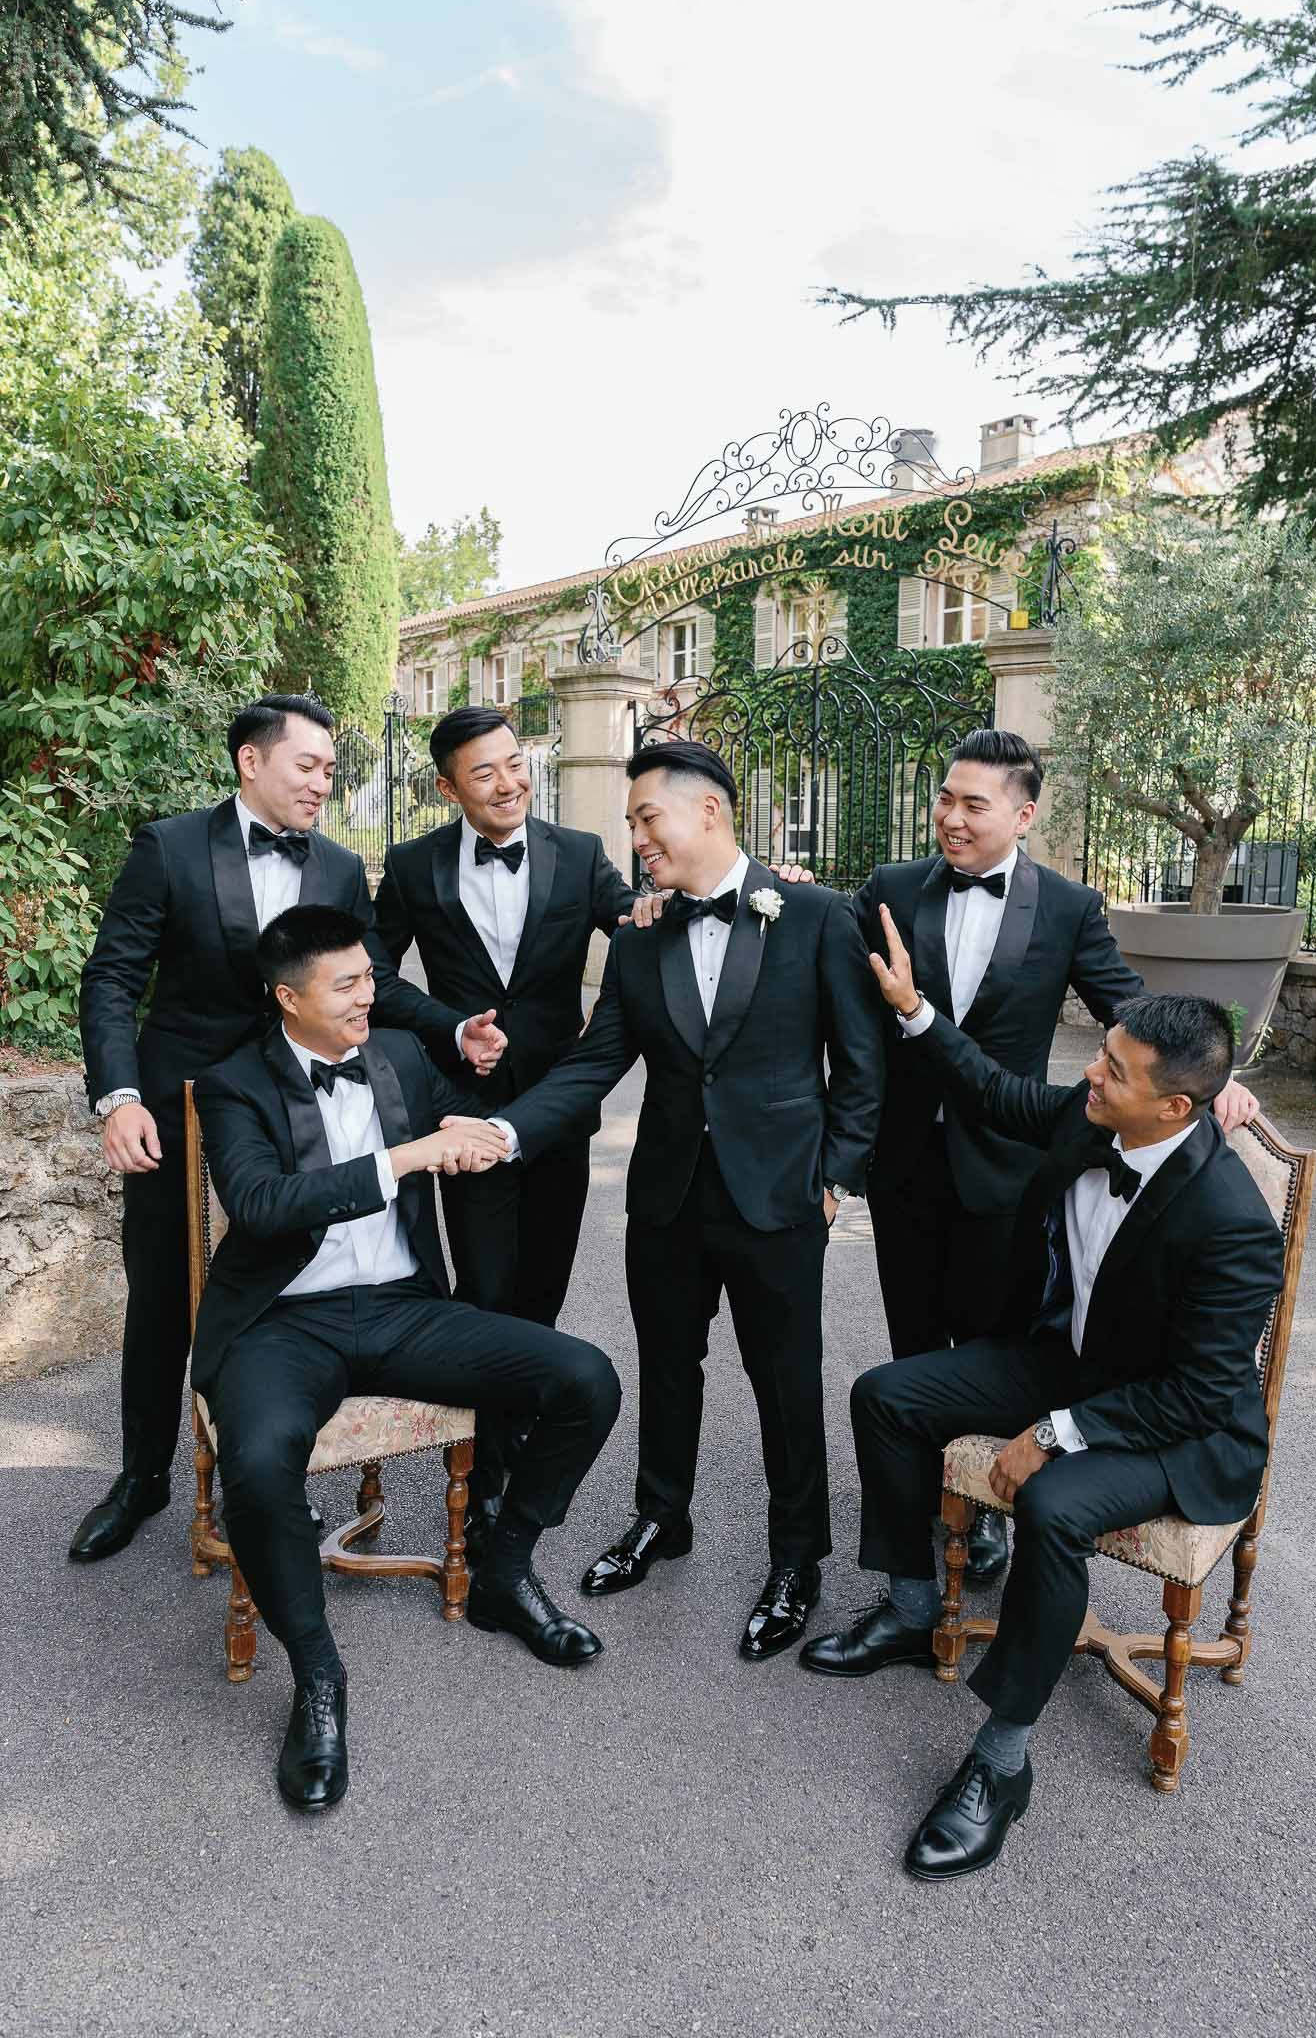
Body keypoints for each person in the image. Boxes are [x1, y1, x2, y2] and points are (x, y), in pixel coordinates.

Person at [801, 912, 1282, 1880]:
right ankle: (906, 1603)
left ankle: (1000, 1762)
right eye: (1099, 1056)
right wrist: (915, 1008)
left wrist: (1057, 1433)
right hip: (1069, 1359)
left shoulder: (1233, 1223)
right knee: (885, 1394)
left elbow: (1195, 1392)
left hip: (1180, 1426)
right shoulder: (1091, 1112)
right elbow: (992, 1087)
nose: (1091, 1076)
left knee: (1055, 1505)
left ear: (1177, 1109)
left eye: (1115, 1070)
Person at [192, 905, 620, 1811]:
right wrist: (408, 1155)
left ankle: (503, 1570)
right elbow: (264, 1205)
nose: (368, 994)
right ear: (286, 997)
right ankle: (316, 1678)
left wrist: (496, 1132)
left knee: (584, 1379)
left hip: (400, 1309)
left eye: (368, 977)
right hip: (282, 1321)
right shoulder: (235, 1084)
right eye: (345, 983)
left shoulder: (394, 1055)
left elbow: (473, 1126)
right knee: (260, 1462)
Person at [491, 741, 884, 1659]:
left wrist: (837, 1180)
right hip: (665, 1194)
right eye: (630, 823)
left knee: (784, 1383)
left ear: (708, 811)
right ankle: (661, 1518)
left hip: (780, 1195)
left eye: (644, 819)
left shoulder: (818, 917)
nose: (634, 840)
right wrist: (507, 1131)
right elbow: (594, 1064)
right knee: (667, 1366)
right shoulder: (638, 935)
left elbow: (862, 1069)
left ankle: (797, 1559)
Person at [73, 693, 477, 1565]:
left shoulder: (335, 864)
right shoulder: (169, 847)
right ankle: (143, 1477)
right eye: (309, 765)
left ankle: (267, 1446)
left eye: (332, 769)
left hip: (301, 1105)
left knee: (299, 1267)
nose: (324, 783)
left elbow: (370, 983)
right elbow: (111, 979)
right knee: (162, 1296)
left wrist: (450, 1027)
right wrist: (119, 1096)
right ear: (251, 761)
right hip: (176, 1107)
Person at [853, 726, 1257, 1583]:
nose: (950, 818)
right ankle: (927, 1502)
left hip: (1008, 1163)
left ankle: (989, 1505)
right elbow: (834, 993)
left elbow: (1131, 1007)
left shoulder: (1068, 908)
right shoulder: (887, 889)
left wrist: (1214, 1079)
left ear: (1022, 814)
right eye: (943, 798)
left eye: (973, 804)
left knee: (998, 1339)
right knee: (913, 1345)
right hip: (903, 1168)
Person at [371, 706, 660, 1553]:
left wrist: (749, 893)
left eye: (515, 764)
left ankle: (518, 1425)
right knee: (487, 1290)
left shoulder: (578, 854)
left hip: (560, 1114)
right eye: (484, 772)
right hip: (465, 1114)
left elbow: (637, 919)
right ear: (448, 786)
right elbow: (374, 974)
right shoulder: (414, 864)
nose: (508, 784)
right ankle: (488, 1472)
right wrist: (448, 1025)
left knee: (542, 1289)